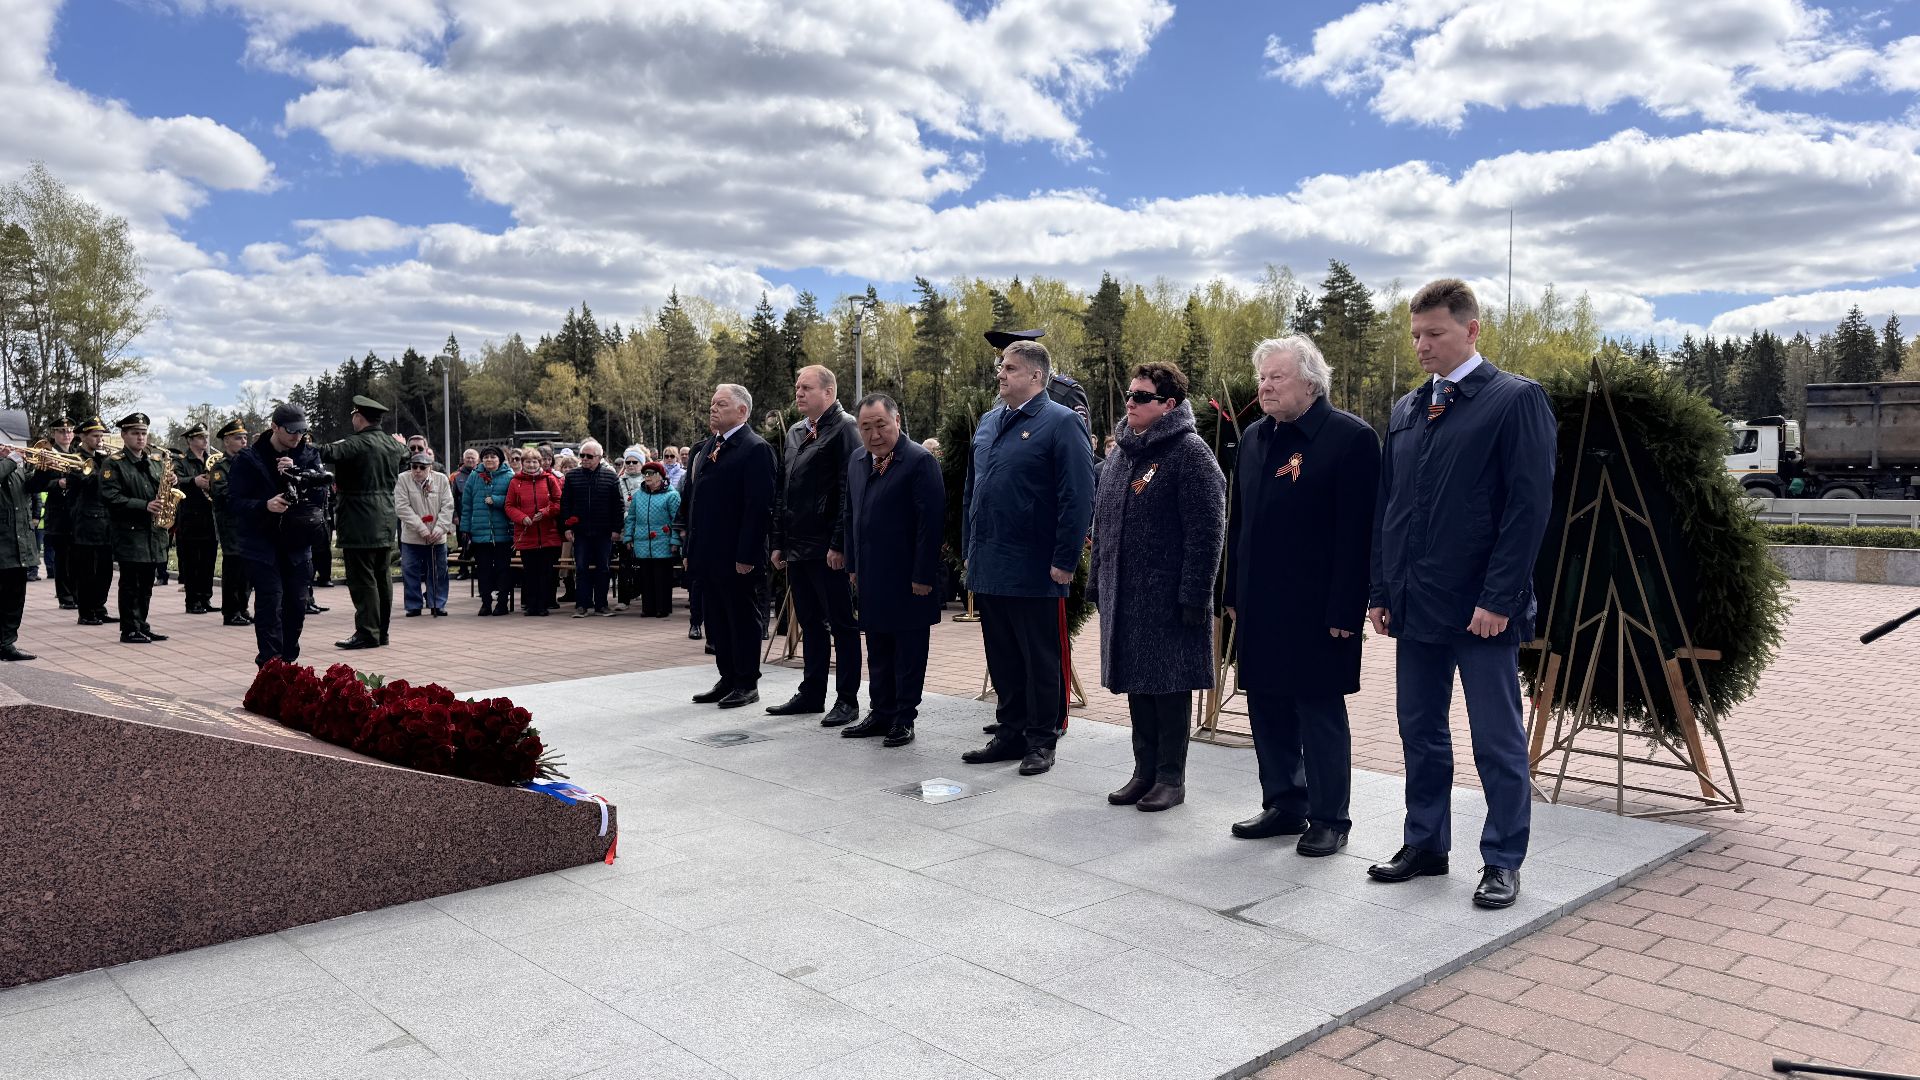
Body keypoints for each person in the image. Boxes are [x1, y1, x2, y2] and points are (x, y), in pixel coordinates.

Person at [1366, 278, 1558, 910]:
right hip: (1416, 604)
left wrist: (1499, 598)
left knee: (1495, 740)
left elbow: (1527, 510)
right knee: (1419, 731)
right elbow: (1390, 509)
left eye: (1435, 334)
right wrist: (1381, 588)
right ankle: (1425, 843)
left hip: (1481, 609)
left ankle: (1503, 857)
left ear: (1472, 330)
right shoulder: (1406, 409)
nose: (1422, 345)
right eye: (1416, 334)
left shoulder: (1514, 401)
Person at [1221, 337, 1382, 853]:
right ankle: (1284, 803)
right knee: (1266, 704)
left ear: (1311, 383)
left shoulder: (1350, 439)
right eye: (1262, 377)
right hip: (1259, 601)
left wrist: (1346, 606)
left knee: (1318, 711)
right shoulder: (1253, 438)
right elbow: (1239, 522)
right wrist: (1231, 589)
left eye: (1277, 378)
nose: (1264, 386)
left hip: (1319, 608)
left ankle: (1330, 818)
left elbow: (1357, 533)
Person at [1089, 362, 1225, 813]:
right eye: (1130, 394)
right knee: (1137, 687)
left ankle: (1171, 778)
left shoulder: (1190, 453)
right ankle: (1143, 772)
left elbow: (1208, 530)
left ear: (1169, 405)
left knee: (1168, 689)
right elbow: (1103, 522)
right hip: (1125, 597)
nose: (1131, 402)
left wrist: (1194, 595)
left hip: (1168, 600)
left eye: (1142, 396)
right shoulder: (1121, 454)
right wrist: (1098, 582)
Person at [960, 339, 1095, 776]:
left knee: (1040, 657)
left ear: (1036, 376)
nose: (1001, 373)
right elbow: (972, 492)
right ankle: (1010, 731)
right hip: (990, 562)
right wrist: (969, 550)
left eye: (1011, 368)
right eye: (1001, 367)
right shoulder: (988, 422)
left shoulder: (1060, 422)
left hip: (1036, 564)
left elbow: (1077, 495)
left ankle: (1042, 739)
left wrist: (1065, 558)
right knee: (1002, 655)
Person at [840, 394, 943, 746]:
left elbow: (930, 525)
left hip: (909, 578)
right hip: (871, 575)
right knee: (879, 649)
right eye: (865, 427)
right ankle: (880, 711)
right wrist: (852, 565)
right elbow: (850, 515)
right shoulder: (857, 461)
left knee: (909, 653)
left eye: (880, 425)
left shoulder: (918, 462)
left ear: (897, 421)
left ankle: (904, 717)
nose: (874, 434)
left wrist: (923, 576)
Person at [767, 364, 863, 726]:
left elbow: (847, 491)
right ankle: (811, 693)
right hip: (797, 546)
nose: (799, 393)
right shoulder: (795, 433)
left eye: (806, 387)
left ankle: (848, 700)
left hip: (827, 548)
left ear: (829, 392)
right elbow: (784, 491)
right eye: (796, 387)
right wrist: (778, 541)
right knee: (809, 621)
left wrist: (839, 543)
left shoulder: (845, 428)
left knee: (842, 623)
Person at [684, 383, 776, 708]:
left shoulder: (755, 448)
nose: (713, 409)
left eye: (720, 404)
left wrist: (747, 554)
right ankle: (727, 677)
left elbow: (759, 507)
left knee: (741, 619)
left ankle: (747, 682)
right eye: (712, 404)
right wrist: (690, 549)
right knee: (717, 619)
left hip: (737, 556)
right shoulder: (711, 445)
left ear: (742, 411)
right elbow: (696, 500)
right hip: (708, 553)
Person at [226, 404, 329, 665]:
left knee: (296, 605)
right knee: (270, 605)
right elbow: (233, 502)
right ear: (274, 427)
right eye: (291, 431)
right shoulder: (249, 459)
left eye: (302, 432)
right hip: (262, 544)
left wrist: (298, 474)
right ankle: (271, 667)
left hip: (297, 543)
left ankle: (289, 662)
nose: (297, 437)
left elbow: (321, 494)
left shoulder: (308, 455)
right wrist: (265, 505)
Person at [319, 395, 407, 649]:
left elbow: (326, 452)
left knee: (362, 578)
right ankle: (381, 632)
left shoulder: (356, 443)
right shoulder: (393, 445)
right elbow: (405, 453)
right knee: (382, 576)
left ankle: (367, 632)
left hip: (359, 518)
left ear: (359, 417)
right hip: (384, 518)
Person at [98, 413, 173, 644]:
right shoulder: (114, 463)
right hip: (130, 531)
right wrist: (144, 505)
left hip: (153, 532)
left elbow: (159, 489)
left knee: (147, 583)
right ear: (124, 435)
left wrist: (170, 484)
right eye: (135, 433)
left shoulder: (154, 461)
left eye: (143, 433)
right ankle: (129, 628)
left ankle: (142, 624)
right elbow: (110, 496)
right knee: (131, 583)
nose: (141, 438)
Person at [0, 444, 56, 660]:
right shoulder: (10, 463)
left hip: (19, 543)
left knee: (15, 597)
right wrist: (11, 460)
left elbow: (33, 487)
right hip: (3, 541)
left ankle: (7, 644)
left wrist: (44, 469)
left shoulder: (17, 467)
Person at [561, 439, 621, 617]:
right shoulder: (572, 476)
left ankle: (602, 604)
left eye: (589, 456)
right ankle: (582, 604)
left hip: (603, 531)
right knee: (581, 568)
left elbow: (617, 505)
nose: (584, 459)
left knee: (603, 568)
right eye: (582, 455)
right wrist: (567, 527)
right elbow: (565, 504)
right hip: (580, 531)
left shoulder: (610, 476)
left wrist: (616, 529)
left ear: (599, 457)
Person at [66, 416, 115, 627]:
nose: (99, 440)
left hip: (105, 520)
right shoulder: (76, 458)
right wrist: (108, 465)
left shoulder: (101, 457)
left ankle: (99, 607)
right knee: (87, 569)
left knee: (105, 569)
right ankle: (86, 611)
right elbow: (88, 481)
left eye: (101, 436)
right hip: (85, 520)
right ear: (83, 436)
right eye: (95, 436)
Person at [396, 452, 455, 617]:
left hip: (437, 536)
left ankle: (437, 603)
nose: (417, 470)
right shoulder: (403, 479)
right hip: (412, 536)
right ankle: (414, 605)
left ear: (430, 467)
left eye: (422, 467)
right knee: (410, 570)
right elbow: (402, 507)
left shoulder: (441, 479)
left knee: (438, 570)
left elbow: (448, 505)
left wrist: (439, 528)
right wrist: (421, 529)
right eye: (414, 466)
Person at [506, 449, 563, 616]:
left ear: (540, 463)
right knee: (530, 572)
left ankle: (543, 605)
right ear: (522, 463)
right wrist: (522, 517)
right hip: (526, 533)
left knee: (545, 572)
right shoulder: (515, 482)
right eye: (528, 462)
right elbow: (509, 506)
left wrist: (545, 512)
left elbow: (558, 502)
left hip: (548, 534)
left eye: (535, 462)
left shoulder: (549, 480)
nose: (531, 465)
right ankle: (531, 605)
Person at [169, 423, 218, 614]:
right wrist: (194, 481)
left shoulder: (212, 460)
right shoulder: (181, 461)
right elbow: (175, 480)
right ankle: (193, 601)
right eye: (200, 438)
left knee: (208, 560)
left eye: (206, 437)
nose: (205, 441)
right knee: (191, 562)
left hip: (209, 516)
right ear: (190, 441)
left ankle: (205, 599)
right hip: (190, 517)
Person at [210, 419, 255, 626]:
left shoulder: (249, 462)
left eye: (245, 437)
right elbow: (222, 493)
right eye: (238, 438)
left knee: (247, 570)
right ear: (227, 441)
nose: (244, 441)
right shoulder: (221, 466)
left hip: (248, 522)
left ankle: (242, 608)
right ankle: (230, 611)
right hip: (231, 522)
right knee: (234, 568)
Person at [462, 446, 515, 615]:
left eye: (493, 457)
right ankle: (486, 602)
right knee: (483, 569)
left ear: (499, 459)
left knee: (502, 569)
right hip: (480, 532)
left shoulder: (509, 476)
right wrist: (465, 528)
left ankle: (502, 603)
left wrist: (497, 500)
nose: (489, 460)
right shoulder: (474, 476)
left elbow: (513, 501)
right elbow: (467, 504)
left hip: (502, 533)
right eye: (486, 457)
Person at [623, 460, 680, 617]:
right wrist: (628, 537)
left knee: (662, 577)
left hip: (663, 541)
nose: (647, 477)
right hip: (642, 542)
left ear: (660, 476)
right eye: (645, 474)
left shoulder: (672, 495)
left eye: (650, 474)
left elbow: (677, 520)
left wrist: (675, 541)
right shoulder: (639, 495)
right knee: (645, 576)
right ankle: (648, 608)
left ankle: (663, 608)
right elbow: (631, 518)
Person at [38, 421, 77, 611]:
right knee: (63, 557)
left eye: (69, 431)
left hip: (75, 513)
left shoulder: (76, 454)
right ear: (54, 434)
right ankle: (64, 596)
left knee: (76, 556)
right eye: (62, 431)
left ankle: (76, 593)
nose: (66, 434)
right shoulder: (47, 453)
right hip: (58, 514)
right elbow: (37, 484)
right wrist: (57, 484)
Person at [676, 433, 711, 642]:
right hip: (696, 527)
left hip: (721, 527)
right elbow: (688, 492)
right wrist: (683, 525)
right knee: (696, 578)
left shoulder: (743, 446)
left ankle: (715, 635)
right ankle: (695, 622)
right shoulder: (700, 449)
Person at [451, 447, 479, 580]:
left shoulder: (482, 474)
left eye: (473, 457)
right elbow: (452, 498)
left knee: (478, 546)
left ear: (477, 460)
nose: (470, 459)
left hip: (479, 517)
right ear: (463, 459)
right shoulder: (457, 476)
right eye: (468, 457)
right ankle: (463, 570)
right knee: (463, 546)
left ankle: (477, 570)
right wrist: (454, 515)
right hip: (462, 518)